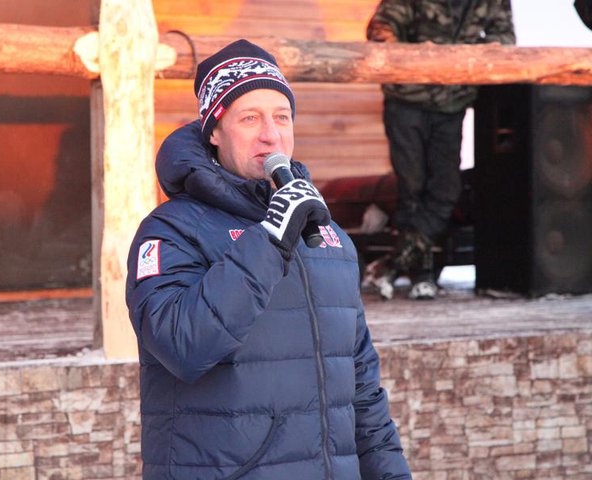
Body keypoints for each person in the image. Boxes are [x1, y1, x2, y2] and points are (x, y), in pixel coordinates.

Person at [125, 39, 412, 479]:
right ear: (214, 132)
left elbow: (361, 391)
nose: (271, 134)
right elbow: (182, 346)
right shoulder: (170, 230)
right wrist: (269, 240)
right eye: (250, 118)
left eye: (281, 116)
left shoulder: (329, 239)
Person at [366, 0, 516, 300]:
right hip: (407, 101)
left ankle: (392, 265)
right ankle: (422, 274)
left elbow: (504, 40)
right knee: (413, 189)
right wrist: (416, 61)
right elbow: (381, 28)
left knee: (446, 190)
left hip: (452, 103)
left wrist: (469, 58)